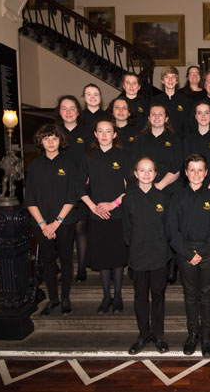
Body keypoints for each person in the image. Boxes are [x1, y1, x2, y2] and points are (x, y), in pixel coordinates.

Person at [167, 154, 210, 357]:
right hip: (184, 253)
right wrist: (187, 253)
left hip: (207, 253)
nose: (196, 174)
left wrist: (202, 252)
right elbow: (172, 231)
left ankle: (206, 336)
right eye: (192, 169)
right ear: (186, 173)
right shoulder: (177, 197)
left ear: (206, 173)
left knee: (206, 295)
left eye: (200, 170)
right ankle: (192, 335)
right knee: (190, 296)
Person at [78, 118, 131, 314]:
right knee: (101, 258)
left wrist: (113, 204)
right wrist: (92, 207)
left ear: (114, 134)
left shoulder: (123, 156)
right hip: (96, 215)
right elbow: (78, 185)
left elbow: (132, 186)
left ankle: (117, 296)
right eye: (100, 131)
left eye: (108, 131)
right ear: (95, 134)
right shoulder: (88, 157)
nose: (104, 135)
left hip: (117, 214)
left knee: (117, 258)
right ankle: (106, 296)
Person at [25, 123, 76, 316]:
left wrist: (56, 223)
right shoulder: (34, 166)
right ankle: (52, 299)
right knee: (47, 260)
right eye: (46, 138)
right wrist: (43, 224)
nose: (51, 142)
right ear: (41, 141)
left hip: (64, 221)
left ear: (60, 141)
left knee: (66, 259)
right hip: (41, 224)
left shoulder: (69, 164)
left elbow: (71, 197)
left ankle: (65, 299)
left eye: (54, 138)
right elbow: (29, 198)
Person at [123, 157, 171, 354]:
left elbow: (168, 229)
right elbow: (126, 230)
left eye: (150, 170)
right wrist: (134, 249)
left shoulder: (164, 198)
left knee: (158, 296)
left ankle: (158, 334)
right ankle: (144, 334)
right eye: (142, 170)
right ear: (135, 174)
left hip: (159, 256)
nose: (146, 174)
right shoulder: (128, 199)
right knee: (140, 297)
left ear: (155, 174)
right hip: (138, 256)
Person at [133, 104, 183, 284]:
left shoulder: (174, 139)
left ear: (166, 118)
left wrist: (159, 186)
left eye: (160, 114)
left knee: (168, 229)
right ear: (148, 118)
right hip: (143, 193)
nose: (156, 117)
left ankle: (170, 265)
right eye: (153, 114)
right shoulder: (141, 139)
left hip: (168, 191)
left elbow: (177, 168)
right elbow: (134, 167)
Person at [55, 95, 91, 282]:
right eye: (64, 108)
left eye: (72, 108)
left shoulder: (86, 133)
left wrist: (86, 181)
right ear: (59, 112)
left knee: (80, 228)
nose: (68, 112)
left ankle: (82, 268)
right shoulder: (54, 133)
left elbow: (90, 159)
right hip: (60, 189)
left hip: (81, 187)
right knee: (64, 230)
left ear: (78, 111)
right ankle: (66, 268)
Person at [183, 100, 210, 192]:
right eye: (199, 113)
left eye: (206, 113)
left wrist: (209, 189)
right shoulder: (188, 140)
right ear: (195, 116)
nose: (203, 116)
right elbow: (187, 167)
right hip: (191, 189)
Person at [151, 65, 192, 138]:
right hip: (160, 140)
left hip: (180, 141)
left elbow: (188, 126)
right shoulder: (154, 100)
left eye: (173, 77)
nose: (170, 80)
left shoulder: (186, 101)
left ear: (176, 81)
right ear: (162, 81)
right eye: (167, 77)